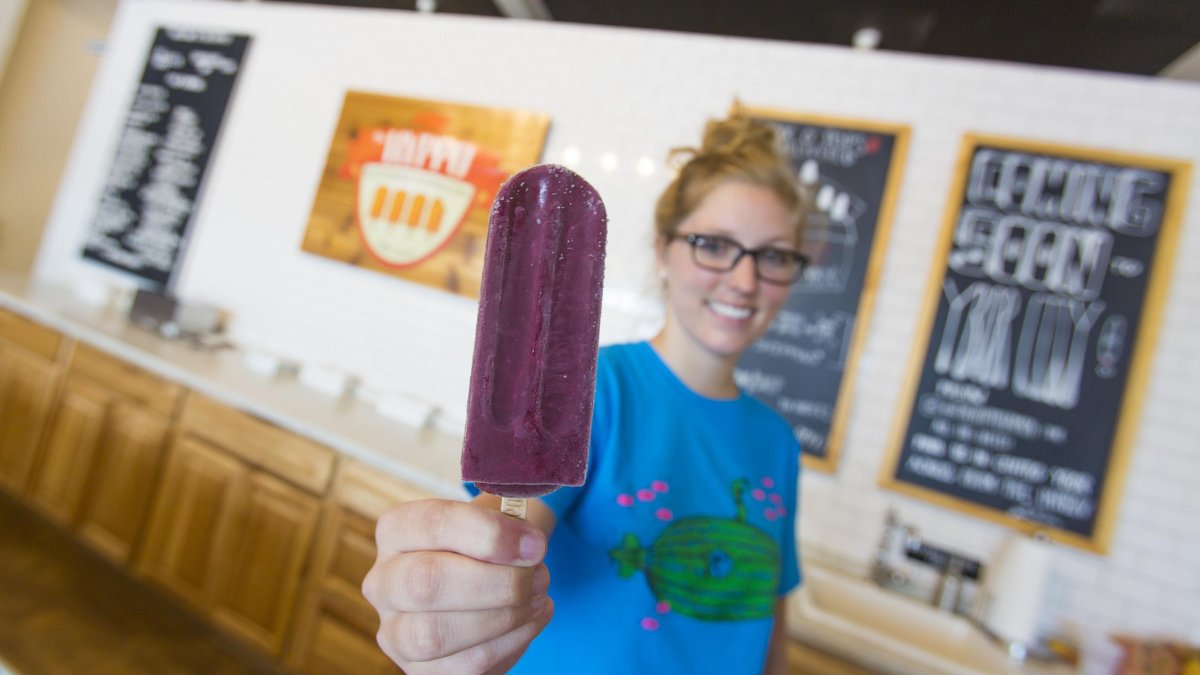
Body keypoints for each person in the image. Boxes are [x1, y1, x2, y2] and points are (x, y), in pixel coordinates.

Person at [363, 110, 810, 675]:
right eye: (714, 245)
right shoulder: (597, 391)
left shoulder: (777, 443)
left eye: (773, 256)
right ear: (663, 250)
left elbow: (770, 618)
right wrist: (454, 597)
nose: (745, 281)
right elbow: (511, 528)